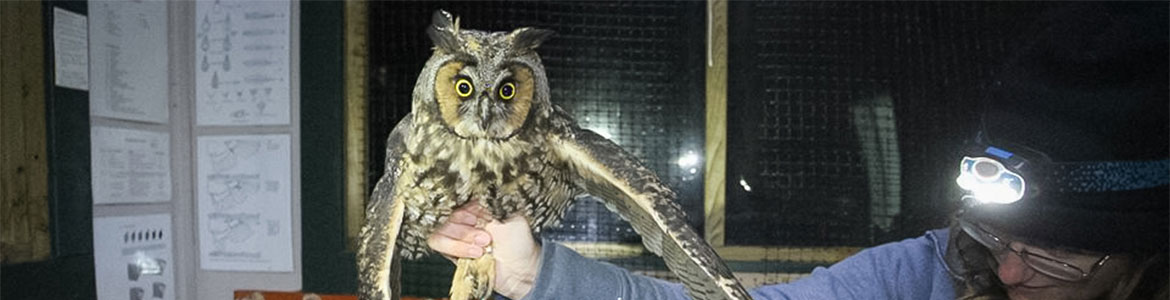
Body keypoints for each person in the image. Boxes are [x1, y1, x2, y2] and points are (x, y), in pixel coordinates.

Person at [427, 3, 1168, 300]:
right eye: (996, 234)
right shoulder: (922, 275)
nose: (1006, 270)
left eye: (1058, 259)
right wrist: (534, 272)